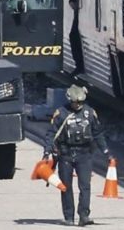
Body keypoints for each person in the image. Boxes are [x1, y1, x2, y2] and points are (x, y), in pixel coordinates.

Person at [44, 85, 111, 227]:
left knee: (85, 186)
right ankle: (69, 216)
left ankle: (84, 215)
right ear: (70, 100)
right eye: (76, 102)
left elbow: (97, 133)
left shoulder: (90, 113)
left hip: (84, 155)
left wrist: (106, 151)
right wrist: (46, 152)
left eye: (80, 102)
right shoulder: (61, 113)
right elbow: (51, 134)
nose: (78, 105)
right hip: (65, 154)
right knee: (66, 187)